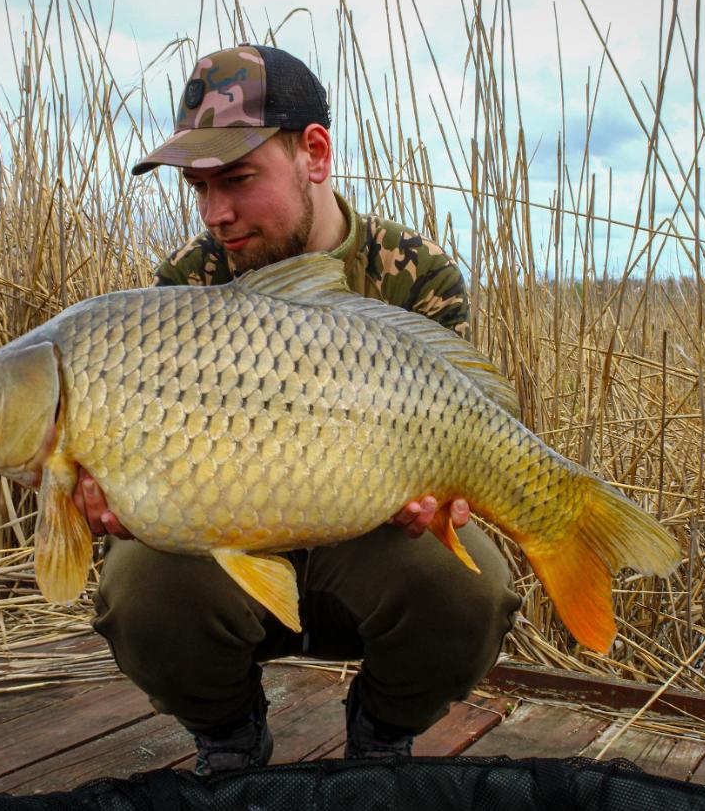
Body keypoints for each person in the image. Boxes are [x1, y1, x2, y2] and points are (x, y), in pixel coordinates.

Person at [74, 44, 520, 775]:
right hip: (232, 547)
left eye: (238, 179)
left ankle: (382, 730)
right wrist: (120, 488)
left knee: (472, 584)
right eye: (198, 188)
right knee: (137, 584)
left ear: (314, 152)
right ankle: (229, 736)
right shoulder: (190, 282)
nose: (217, 214)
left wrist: (441, 496)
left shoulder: (415, 273)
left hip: (366, 546)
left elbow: (459, 436)